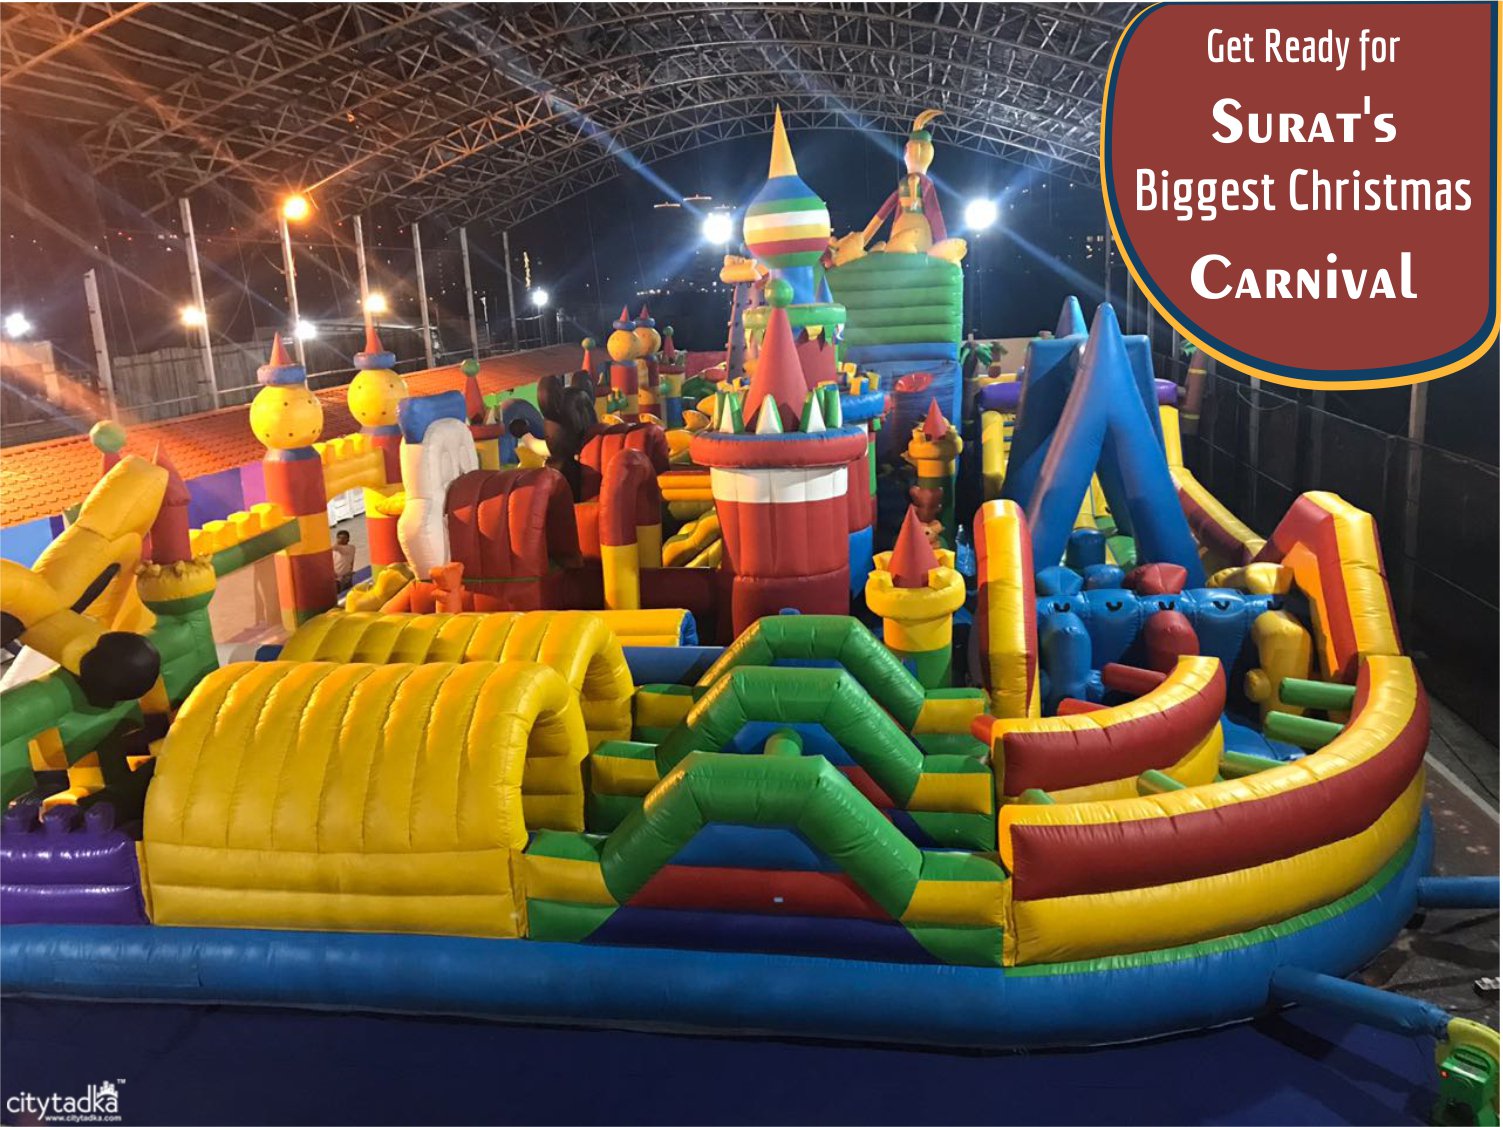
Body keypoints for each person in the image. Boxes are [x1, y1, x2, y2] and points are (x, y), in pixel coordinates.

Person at [332, 528, 356, 593]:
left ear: (348, 539)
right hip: (336, 577)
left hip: (345, 576)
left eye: (344, 538)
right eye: (339, 538)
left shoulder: (350, 548)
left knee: (346, 592)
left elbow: (334, 547)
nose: (341, 540)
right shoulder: (335, 550)